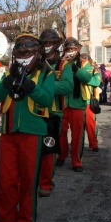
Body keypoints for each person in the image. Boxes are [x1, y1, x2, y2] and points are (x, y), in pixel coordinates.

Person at [0, 33, 54, 222]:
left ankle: (26, 219)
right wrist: (9, 80)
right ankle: (6, 217)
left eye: (28, 50)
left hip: (32, 131)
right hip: (9, 131)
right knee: (5, 178)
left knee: (28, 178)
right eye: (19, 50)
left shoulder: (46, 73)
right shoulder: (10, 71)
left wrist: (29, 85)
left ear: (38, 53)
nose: (23, 54)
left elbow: (46, 100)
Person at [37, 29, 73, 198]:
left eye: (50, 43)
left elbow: (67, 86)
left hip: (53, 113)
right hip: (36, 112)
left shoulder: (63, 65)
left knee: (49, 150)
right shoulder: (35, 63)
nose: (47, 47)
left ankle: (46, 183)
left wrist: (46, 87)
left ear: (57, 44)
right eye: (44, 43)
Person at [56, 37, 93, 172]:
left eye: (73, 49)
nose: (70, 51)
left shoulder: (84, 63)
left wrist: (74, 67)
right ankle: (61, 155)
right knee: (61, 132)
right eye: (68, 49)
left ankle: (76, 160)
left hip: (78, 103)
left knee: (77, 134)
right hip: (63, 103)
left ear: (78, 49)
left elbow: (88, 78)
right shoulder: (60, 63)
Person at [85, 56, 102, 152]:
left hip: (89, 101)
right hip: (77, 102)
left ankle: (94, 143)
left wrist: (84, 77)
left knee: (91, 125)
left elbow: (96, 82)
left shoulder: (94, 72)